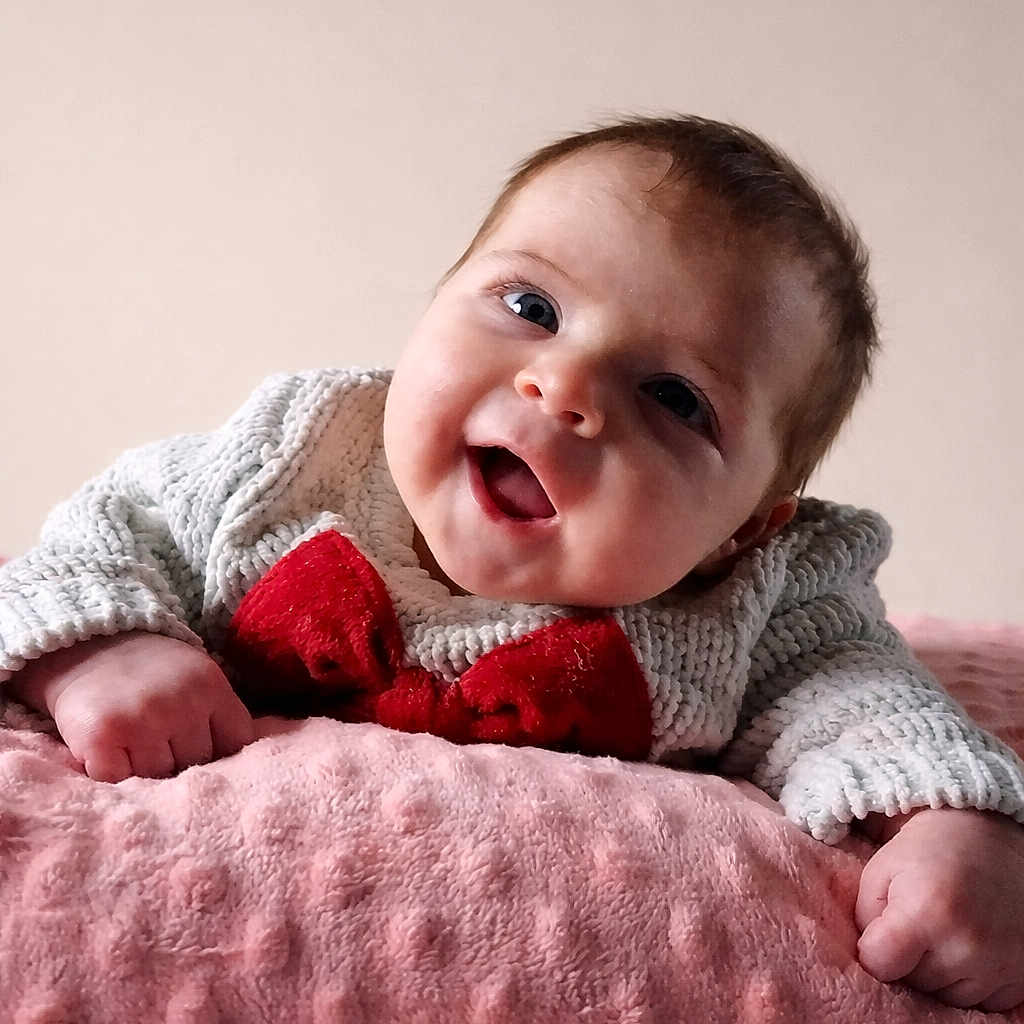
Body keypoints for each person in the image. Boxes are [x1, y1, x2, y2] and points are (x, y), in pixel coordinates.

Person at [2, 115, 1023, 1010]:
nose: (562, 383)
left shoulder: (753, 599)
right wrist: (102, 643)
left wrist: (949, 821)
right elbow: (101, 535)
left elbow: (866, 698)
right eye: (531, 308)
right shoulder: (292, 462)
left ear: (743, 528)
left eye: (673, 397)